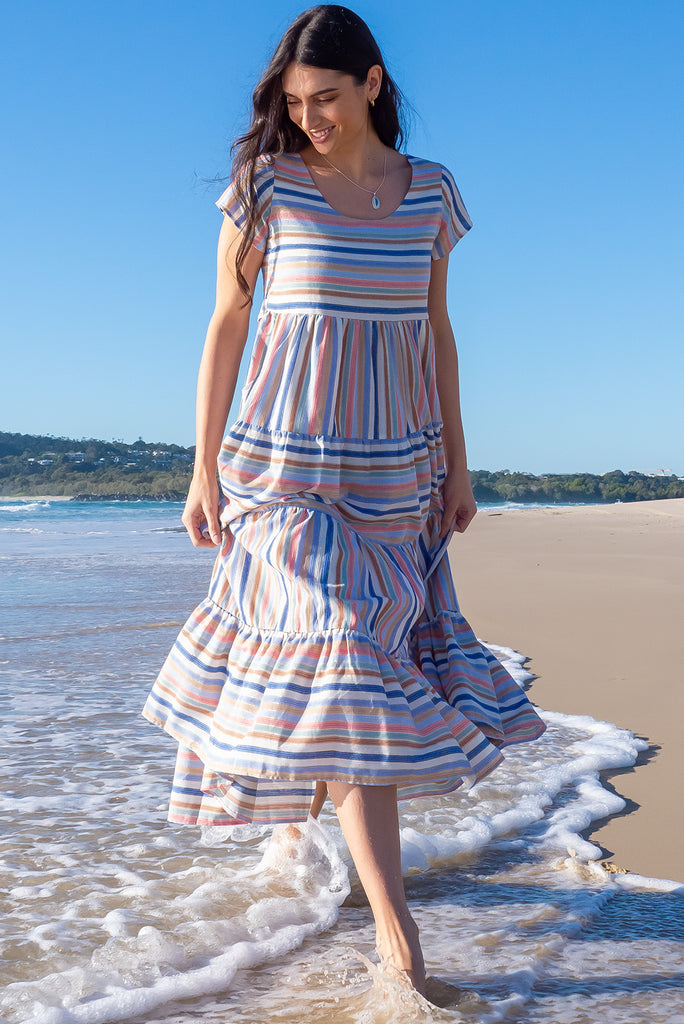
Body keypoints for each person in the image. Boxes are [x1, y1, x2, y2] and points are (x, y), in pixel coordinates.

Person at [142, 4, 546, 997]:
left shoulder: (431, 196)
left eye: (326, 98)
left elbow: (435, 333)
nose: (310, 117)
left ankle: (299, 827)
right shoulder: (267, 188)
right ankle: (399, 945)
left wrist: (458, 461)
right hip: (282, 471)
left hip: (391, 472)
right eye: (294, 103)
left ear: (371, 84)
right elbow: (226, 326)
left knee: (353, 663)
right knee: (347, 661)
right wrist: (203, 467)